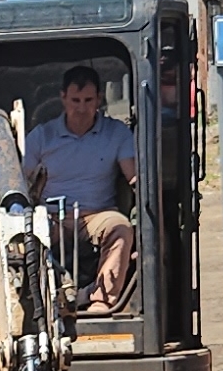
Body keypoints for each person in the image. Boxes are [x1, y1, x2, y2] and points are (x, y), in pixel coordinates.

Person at [23, 63, 138, 308]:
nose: (82, 108)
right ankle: (41, 302)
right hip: (51, 218)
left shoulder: (116, 133)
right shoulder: (41, 136)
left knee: (121, 227)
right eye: (75, 100)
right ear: (63, 98)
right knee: (25, 236)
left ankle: (101, 300)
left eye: (88, 100)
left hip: (96, 216)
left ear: (99, 99)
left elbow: (134, 177)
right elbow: (22, 182)